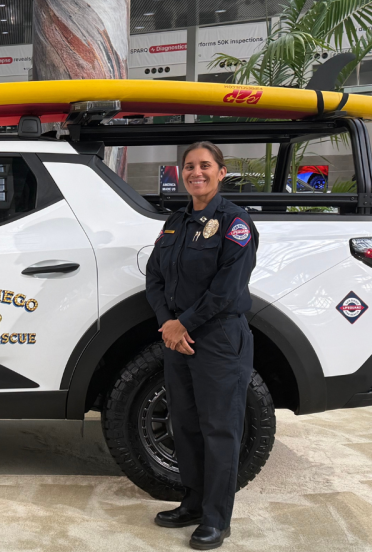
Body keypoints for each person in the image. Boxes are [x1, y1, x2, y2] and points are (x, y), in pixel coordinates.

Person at [145, 142, 259, 550]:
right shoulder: (175, 222)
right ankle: (191, 503)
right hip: (178, 339)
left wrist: (183, 323)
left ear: (221, 172)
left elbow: (228, 289)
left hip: (218, 339)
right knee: (186, 425)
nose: (196, 172)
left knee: (220, 430)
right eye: (189, 166)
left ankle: (216, 519)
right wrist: (167, 324)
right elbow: (154, 277)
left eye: (205, 165)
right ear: (181, 174)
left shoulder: (235, 223)